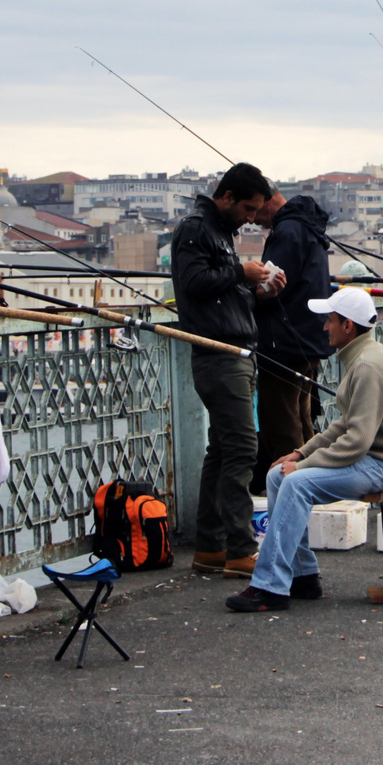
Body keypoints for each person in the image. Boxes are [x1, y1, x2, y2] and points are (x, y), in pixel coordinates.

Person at [226, 287, 383, 613]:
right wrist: (299, 454)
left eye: (330, 320)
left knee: (294, 482)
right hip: (377, 458)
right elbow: (344, 425)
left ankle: (269, 587)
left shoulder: (367, 367)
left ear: (348, 326)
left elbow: (356, 440)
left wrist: (304, 467)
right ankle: (302, 576)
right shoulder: (363, 358)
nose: (325, 327)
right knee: (279, 476)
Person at [172, 163, 280, 578]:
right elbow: (195, 282)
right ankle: (239, 550)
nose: (252, 218)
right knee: (241, 451)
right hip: (218, 355)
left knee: (221, 452)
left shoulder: (217, 231)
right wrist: (241, 271)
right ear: (228, 196)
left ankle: (210, 549)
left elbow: (220, 294)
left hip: (234, 352)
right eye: (249, 209)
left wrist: (259, 291)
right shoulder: (197, 228)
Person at [250, 189, 335, 495]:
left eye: (256, 209)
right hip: (309, 337)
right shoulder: (307, 226)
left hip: (284, 341)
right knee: (301, 420)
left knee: (281, 423)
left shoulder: (286, 231)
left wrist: (247, 290)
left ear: (268, 200)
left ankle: (292, 495)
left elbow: (272, 287)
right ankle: (311, 491)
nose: (254, 219)